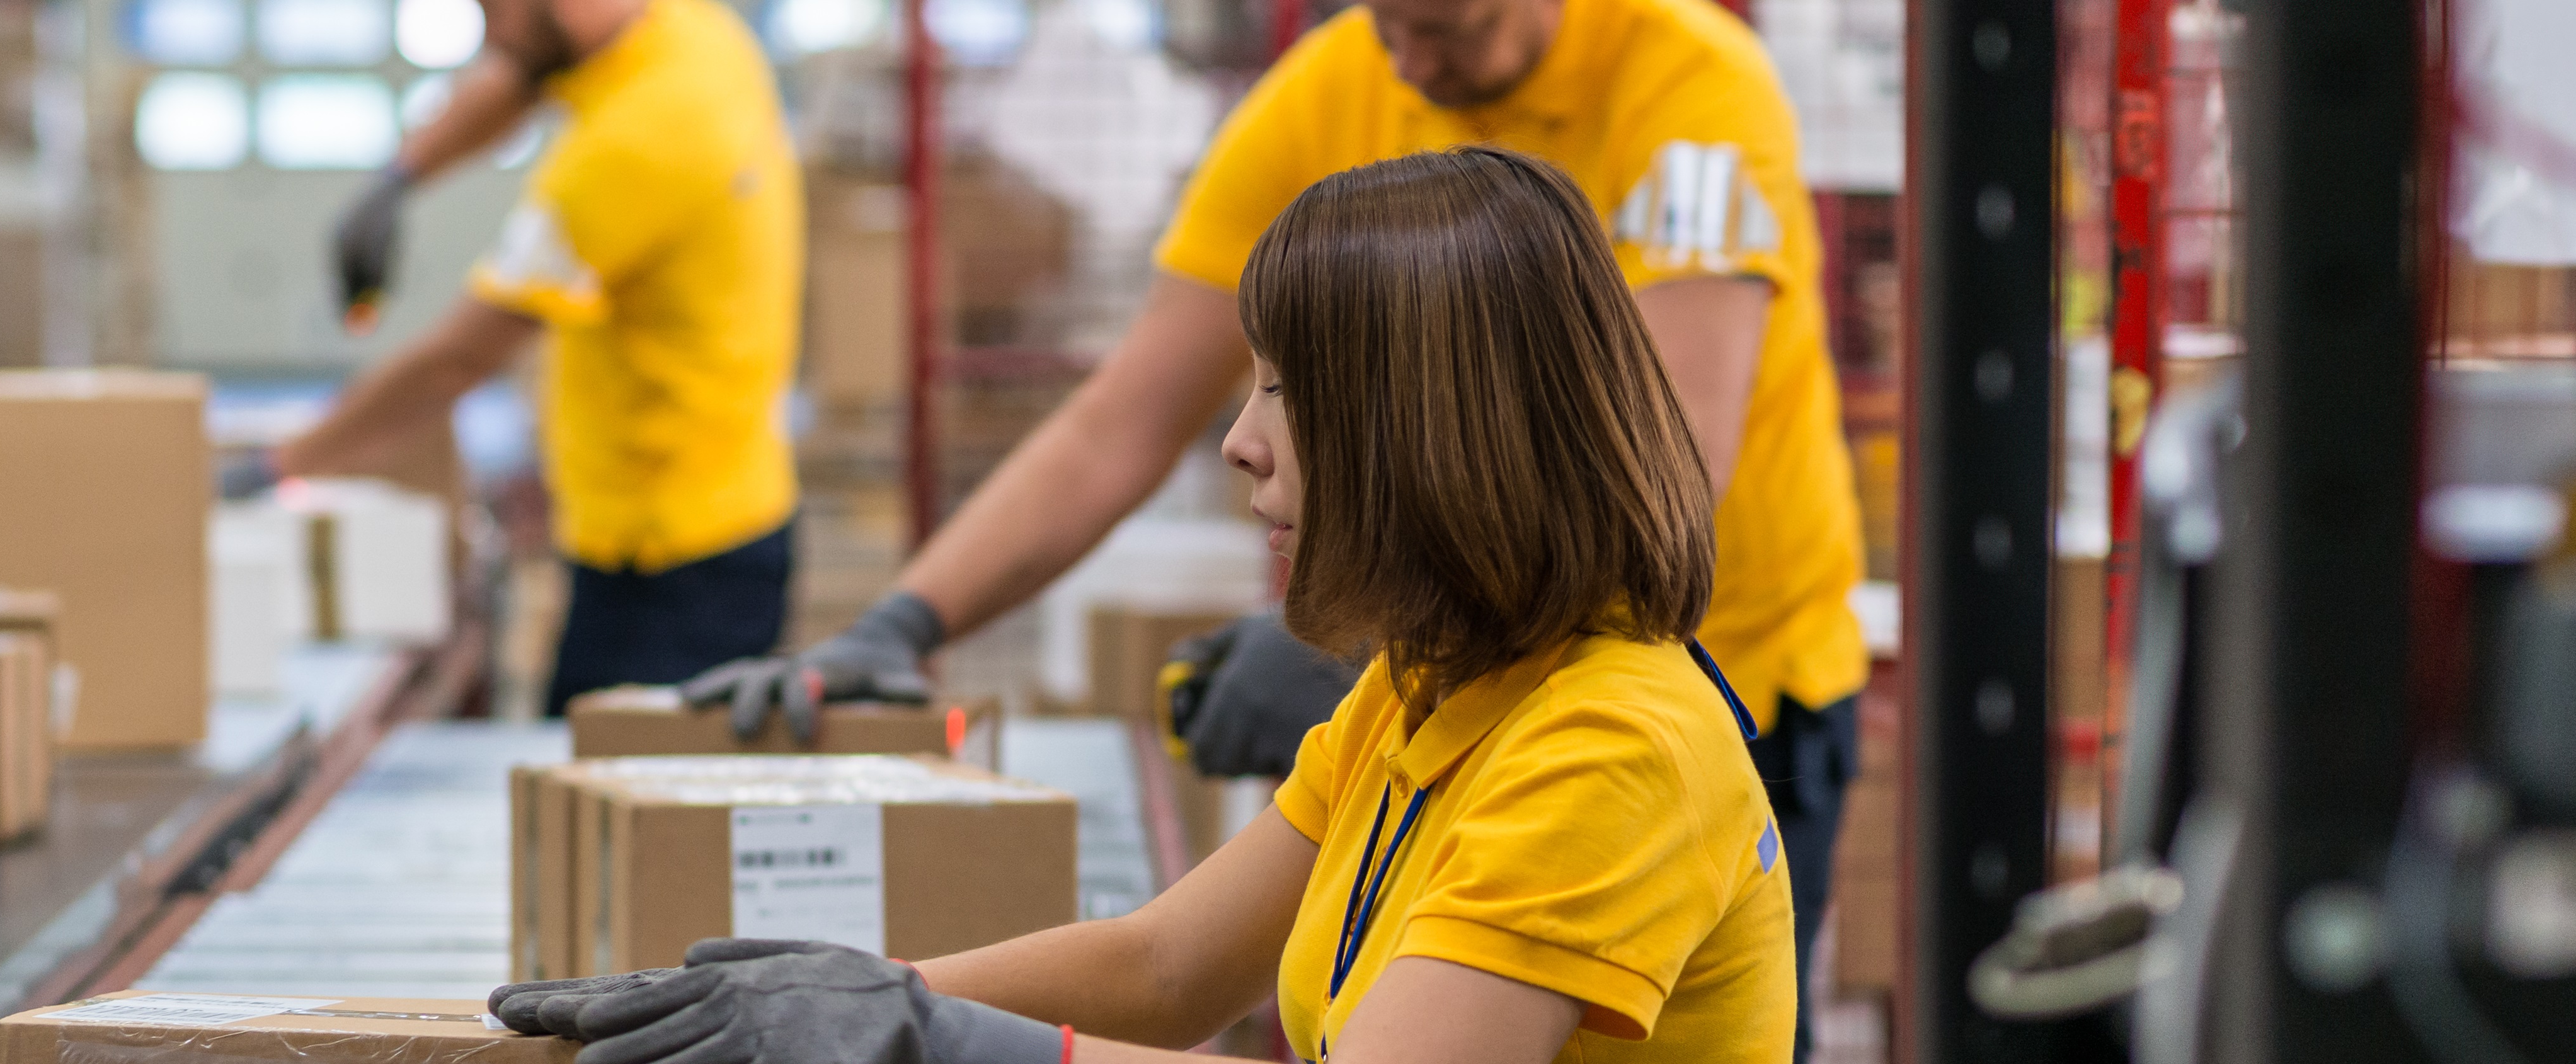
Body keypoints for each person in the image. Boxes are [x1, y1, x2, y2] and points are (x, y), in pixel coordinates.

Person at [683, 0, 1865, 1041]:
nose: (1237, 439)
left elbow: (1668, 436)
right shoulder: (1419, 686)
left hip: (1728, 667)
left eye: (1291, 391)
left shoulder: (1609, 750)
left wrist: (938, 1043)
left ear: (1437, 438)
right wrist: (876, 993)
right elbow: (1166, 964)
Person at [275, 0, 804, 715]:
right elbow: (519, 76)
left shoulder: (637, 144)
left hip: (675, 565)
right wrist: (400, 177)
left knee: (613, 798)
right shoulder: (679, 31)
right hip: (682, 520)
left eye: (495, 9)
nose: (487, 35)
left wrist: (285, 465)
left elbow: (456, 362)